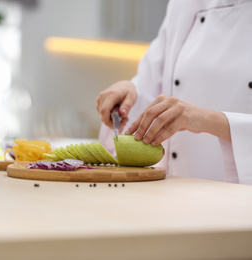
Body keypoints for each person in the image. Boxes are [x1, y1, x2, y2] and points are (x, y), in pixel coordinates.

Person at [96, 0, 252, 185]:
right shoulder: (184, 4)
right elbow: (152, 87)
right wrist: (129, 93)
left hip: (239, 200)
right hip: (170, 191)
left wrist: (209, 120)